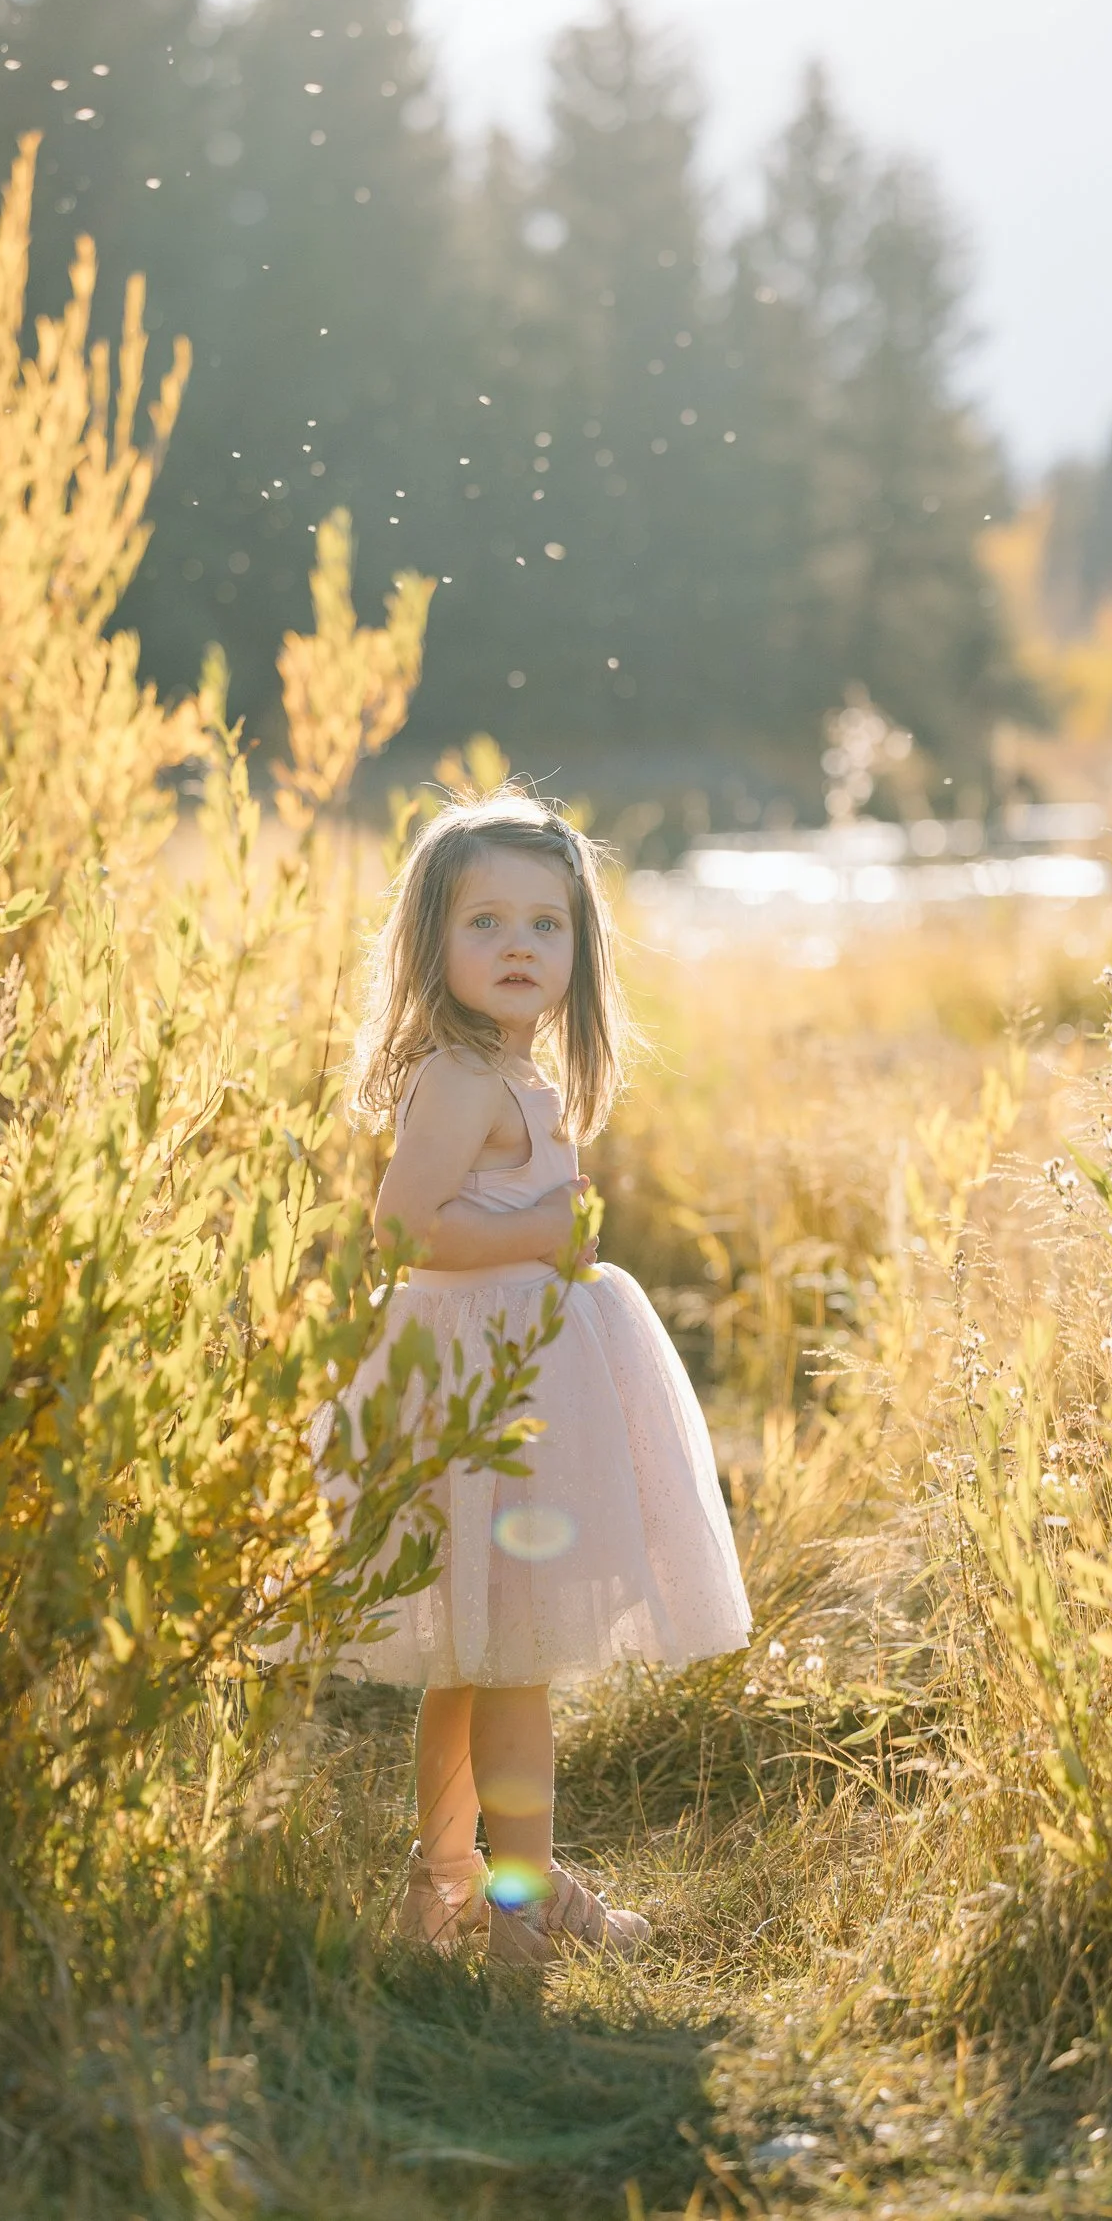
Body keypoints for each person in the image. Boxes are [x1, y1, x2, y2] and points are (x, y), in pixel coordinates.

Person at [331, 788, 752, 1968]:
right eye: (485, 922)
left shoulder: (522, 1074)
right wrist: (543, 1235)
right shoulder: (462, 1078)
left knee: (477, 1660)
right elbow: (400, 1231)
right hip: (480, 1390)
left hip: (517, 1383)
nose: (517, 944)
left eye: (544, 924)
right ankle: (518, 1915)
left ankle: (448, 1886)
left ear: (578, 947)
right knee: (508, 1664)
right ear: (433, 941)